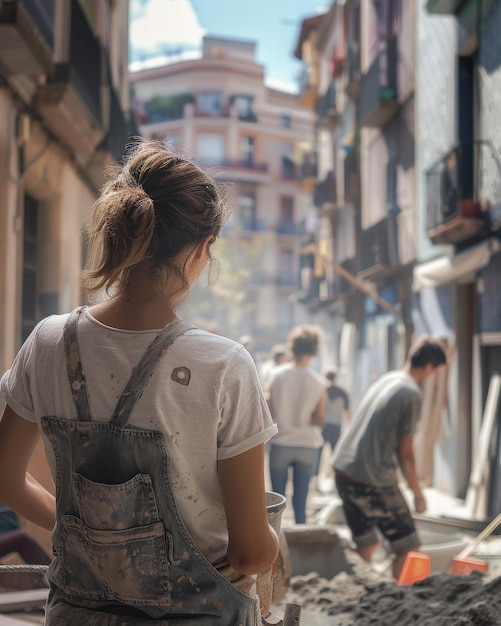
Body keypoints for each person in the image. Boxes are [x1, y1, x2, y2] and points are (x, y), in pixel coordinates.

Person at [0, 138, 278, 624]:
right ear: (199, 252)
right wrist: (274, 534)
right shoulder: (224, 365)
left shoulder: (47, 342)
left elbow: (4, 476)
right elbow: (250, 555)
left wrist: (87, 535)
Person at [332, 336, 447, 579]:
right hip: (371, 476)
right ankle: (396, 603)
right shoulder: (410, 393)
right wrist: (417, 493)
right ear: (429, 367)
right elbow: (405, 453)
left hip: (344, 468)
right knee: (408, 545)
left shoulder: (389, 378)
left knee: (366, 543)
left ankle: (352, 593)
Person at [266, 325, 326, 524]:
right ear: (315, 350)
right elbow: (319, 420)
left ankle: (277, 548)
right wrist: (303, 419)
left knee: (276, 505)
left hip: (281, 443)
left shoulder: (276, 375)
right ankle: (300, 544)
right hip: (308, 445)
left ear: (292, 347)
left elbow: (268, 410)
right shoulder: (319, 382)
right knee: (301, 505)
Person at [313, 365, 351, 492]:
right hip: (337, 427)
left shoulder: (321, 390)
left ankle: (316, 484)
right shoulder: (343, 392)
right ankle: (336, 485)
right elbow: (348, 413)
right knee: (335, 456)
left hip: (323, 426)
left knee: (318, 455)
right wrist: (348, 429)